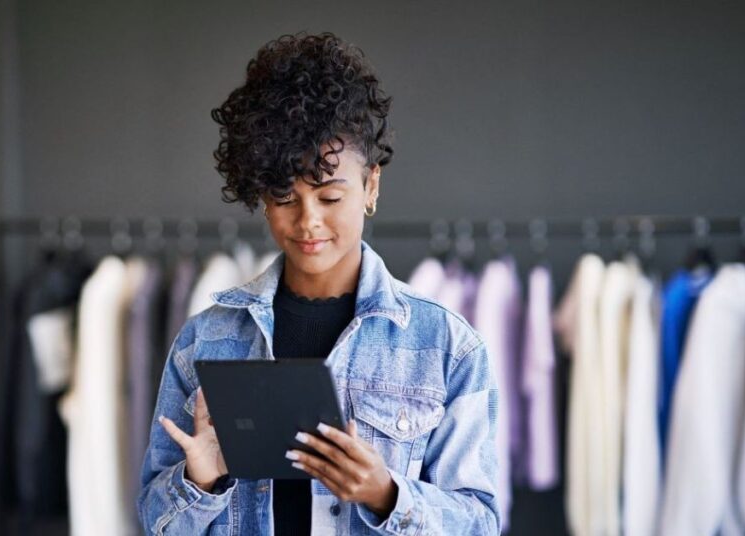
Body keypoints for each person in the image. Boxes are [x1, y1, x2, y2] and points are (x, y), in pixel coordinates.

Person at [137, 31, 500, 535]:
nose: (308, 221)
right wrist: (201, 480)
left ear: (371, 186)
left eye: (330, 197)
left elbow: (482, 521)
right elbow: (155, 521)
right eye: (285, 199)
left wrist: (386, 495)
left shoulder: (448, 347)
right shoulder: (205, 340)